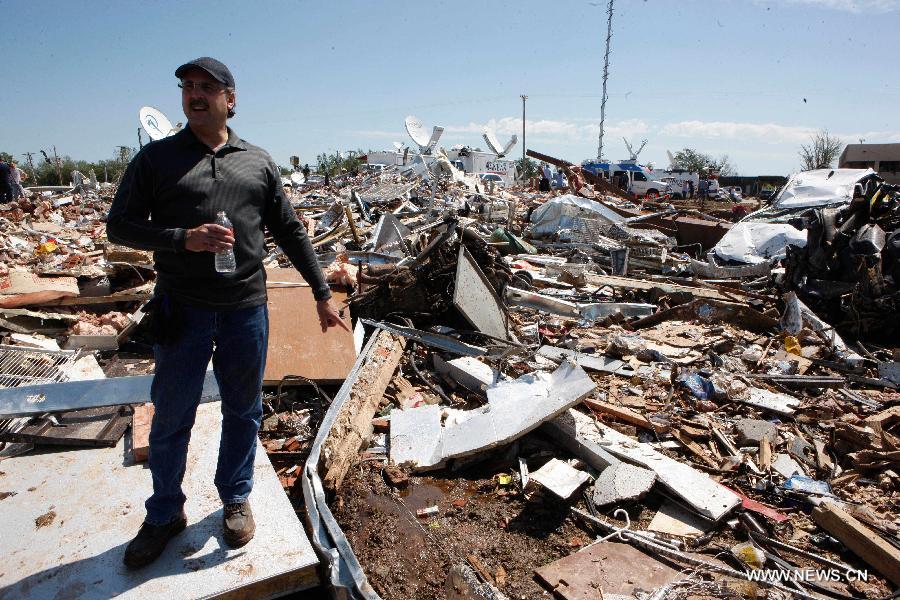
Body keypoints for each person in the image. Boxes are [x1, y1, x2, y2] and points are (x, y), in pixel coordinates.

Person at [107, 57, 349, 569]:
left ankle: (235, 499)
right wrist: (181, 239)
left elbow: (290, 230)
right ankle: (164, 513)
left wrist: (321, 292)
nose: (195, 95)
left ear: (230, 99)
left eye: (207, 88)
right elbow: (119, 227)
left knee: (244, 410)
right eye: (188, 87)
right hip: (183, 310)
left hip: (245, 310)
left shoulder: (257, 161)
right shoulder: (156, 161)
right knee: (172, 415)